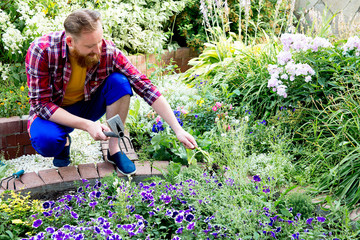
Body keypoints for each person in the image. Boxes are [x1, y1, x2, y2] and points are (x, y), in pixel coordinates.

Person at [25, 8, 198, 175]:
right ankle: (63, 144)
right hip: (55, 111)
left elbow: (145, 87)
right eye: (91, 46)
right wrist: (87, 125)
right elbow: (41, 105)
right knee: (46, 142)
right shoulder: (42, 51)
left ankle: (114, 149)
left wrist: (178, 129)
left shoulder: (108, 51)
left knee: (120, 83)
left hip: (87, 106)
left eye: (100, 41)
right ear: (70, 42)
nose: (99, 50)